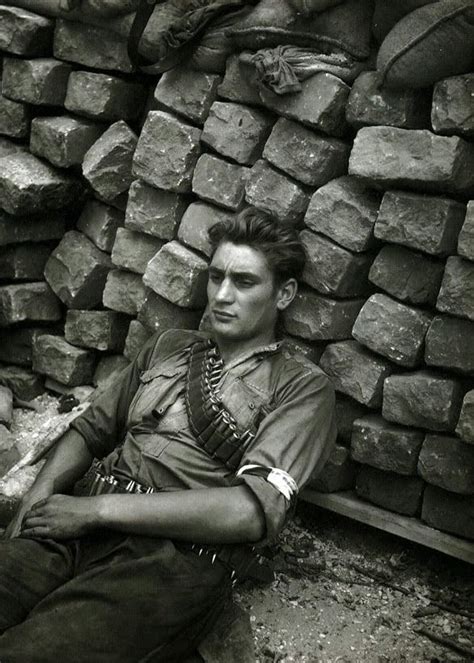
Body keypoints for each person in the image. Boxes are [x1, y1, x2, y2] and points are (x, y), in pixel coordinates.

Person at [0, 206, 337, 662]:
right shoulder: (169, 347)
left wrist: (98, 510)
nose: (221, 295)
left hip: (171, 558)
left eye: (244, 282)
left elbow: (248, 513)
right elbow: (91, 429)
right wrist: (38, 497)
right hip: (73, 524)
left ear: (284, 293)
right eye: (216, 277)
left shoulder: (302, 388)